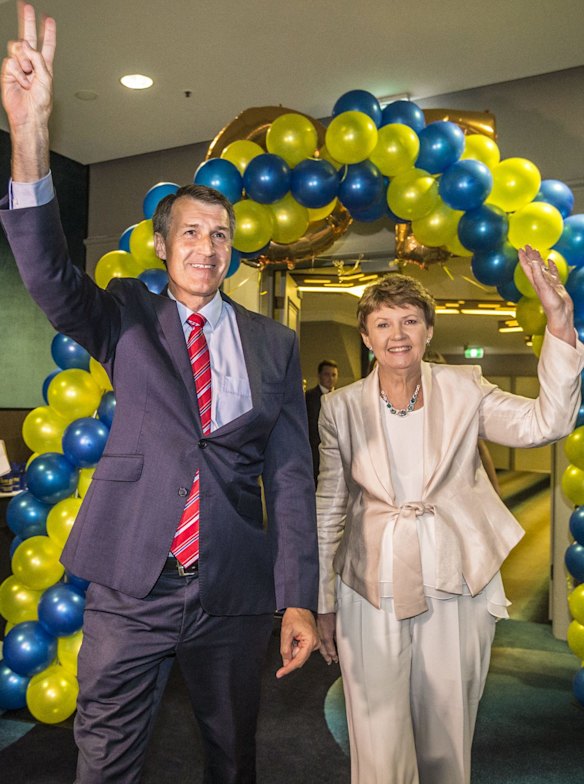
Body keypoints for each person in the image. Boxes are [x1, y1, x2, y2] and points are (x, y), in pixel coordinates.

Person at [0, 5, 319, 783]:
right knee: (105, 757)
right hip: (130, 583)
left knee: (232, 757)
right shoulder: (125, 318)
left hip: (233, 594)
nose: (207, 247)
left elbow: (290, 477)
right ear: (161, 245)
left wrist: (298, 599)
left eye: (220, 235)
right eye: (190, 233)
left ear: (233, 250)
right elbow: (45, 271)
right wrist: (30, 136)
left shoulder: (275, 343)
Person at [316, 266, 583, 784]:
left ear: (429, 331)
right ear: (367, 336)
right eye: (384, 324)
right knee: (376, 737)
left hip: (455, 579)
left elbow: (546, 423)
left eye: (410, 321)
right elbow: (330, 504)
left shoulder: (466, 389)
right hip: (370, 586)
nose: (398, 335)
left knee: (446, 734)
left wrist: (558, 320)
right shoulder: (339, 407)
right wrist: (323, 600)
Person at [305, 359, 339, 485]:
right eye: (327, 374)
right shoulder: (308, 397)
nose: (330, 378)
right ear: (319, 375)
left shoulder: (342, 397)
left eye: (334, 375)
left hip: (338, 454)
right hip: (315, 453)